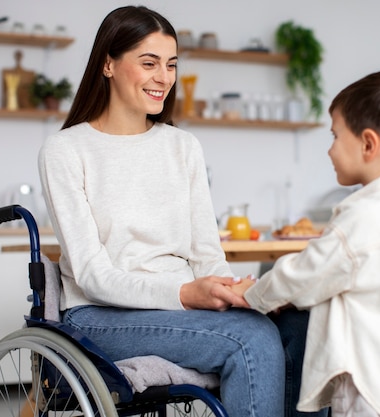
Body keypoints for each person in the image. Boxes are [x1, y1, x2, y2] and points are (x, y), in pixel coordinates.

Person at [38, 6, 325, 417]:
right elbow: (92, 276)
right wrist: (184, 294)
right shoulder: (66, 151)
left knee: (304, 323)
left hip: (180, 307)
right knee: (252, 339)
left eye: (171, 64)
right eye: (149, 63)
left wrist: (239, 294)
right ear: (108, 64)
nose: (164, 78)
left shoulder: (182, 146)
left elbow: (207, 253)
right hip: (100, 316)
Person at [231, 70, 380, 417]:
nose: (329, 149)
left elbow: (302, 275)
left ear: (368, 144)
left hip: (371, 396)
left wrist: (250, 294)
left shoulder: (363, 217)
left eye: (335, 136)